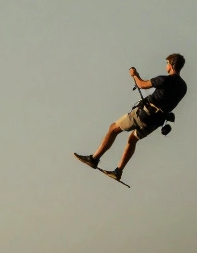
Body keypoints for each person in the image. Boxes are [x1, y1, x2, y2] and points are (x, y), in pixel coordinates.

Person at [75, 54, 187, 183]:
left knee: (114, 128)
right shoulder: (183, 87)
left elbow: (141, 84)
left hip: (143, 114)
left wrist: (134, 74)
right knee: (132, 140)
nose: (166, 65)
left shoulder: (164, 80)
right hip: (156, 122)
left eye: (167, 63)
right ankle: (118, 171)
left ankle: (94, 159)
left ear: (172, 65)